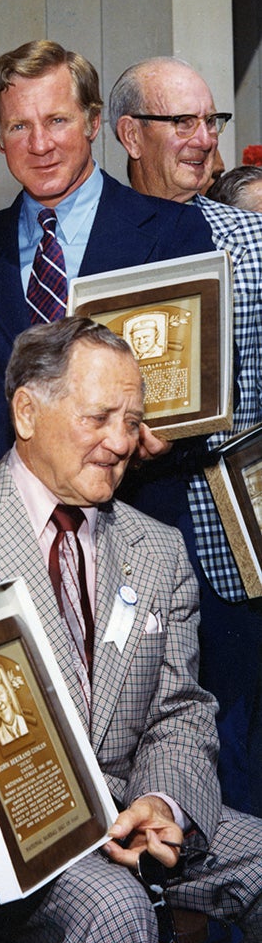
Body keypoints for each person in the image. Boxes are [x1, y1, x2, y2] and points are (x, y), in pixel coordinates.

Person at [0, 317, 262, 943]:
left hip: (129, 810)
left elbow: (181, 711)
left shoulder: (159, 550)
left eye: (132, 420)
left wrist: (163, 802)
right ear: (27, 412)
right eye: (100, 418)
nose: (121, 442)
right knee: (112, 907)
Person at [0, 40, 215, 469]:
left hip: (133, 509)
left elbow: (212, 387)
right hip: (6, 520)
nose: (39, 144)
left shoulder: (175, 233)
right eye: (18, 127)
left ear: (92, 122)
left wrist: (170, 437)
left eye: (57, 120)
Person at [110, 56, 262, 815]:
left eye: (213, 121)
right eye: (184, 123)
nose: (204, 140)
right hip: (120, 541)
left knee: (233, 747)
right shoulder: (93, 241)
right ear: (130, 134)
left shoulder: (251, 240)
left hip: (235, 547)